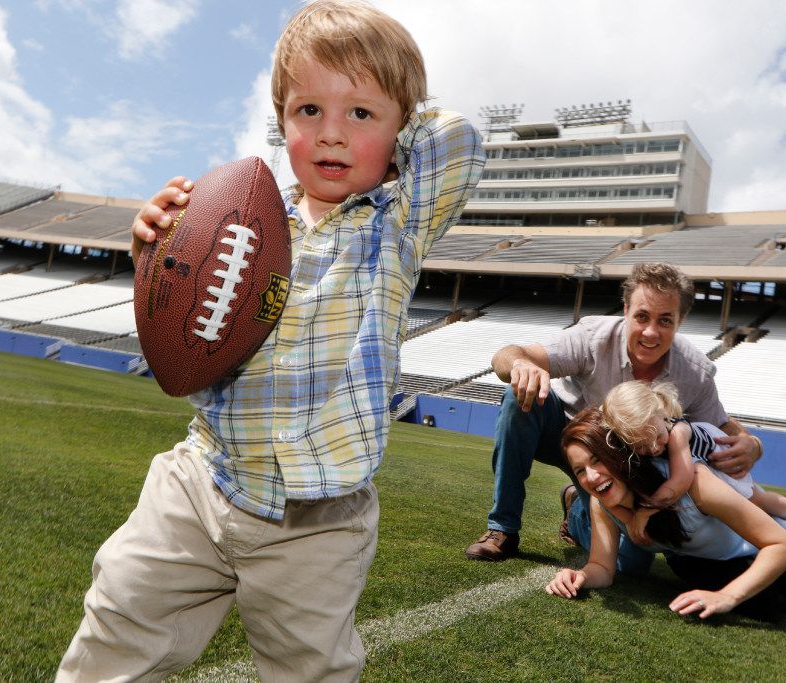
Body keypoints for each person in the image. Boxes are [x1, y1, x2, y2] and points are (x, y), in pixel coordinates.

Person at [57, 2, 485, 680]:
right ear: (280, 121)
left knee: (307, 669)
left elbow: (458, 137)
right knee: (118, 617)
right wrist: (157, 238)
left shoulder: (398, 221)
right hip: (205, 478)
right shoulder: (243, 220)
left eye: (361, 114)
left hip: (317, 517)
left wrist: (402, 113)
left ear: (401, 130)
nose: (332, 135)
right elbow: (187, 326)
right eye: (308, 111)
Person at [466, 262, 763, 565]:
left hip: (618, 463)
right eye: (642, 316)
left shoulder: (695, 371)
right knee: (518, 399)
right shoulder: (593, 336)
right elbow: (507, 355)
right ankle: (502, 529)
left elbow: (721, 424)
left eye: (665, 320)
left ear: (681, 320)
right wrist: (520, 364)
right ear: (625, 310)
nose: (650, 331)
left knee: (629, 562)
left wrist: (753, 444)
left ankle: (577, 509)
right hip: (562, 434)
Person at [546, 408, 786, 634]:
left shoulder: (692, 480)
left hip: (773, 543)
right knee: (764, 607)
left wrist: (727, 596)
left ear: (620, 453)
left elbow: (780, 545)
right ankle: (764, 588)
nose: (591, 477)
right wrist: (580, 577)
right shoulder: (604, 505)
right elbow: (602, 568)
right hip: (706, 561)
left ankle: (781, 575)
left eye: (597, 460)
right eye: (579, 471)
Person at [601, 380, 786, 550]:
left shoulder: (678, 433)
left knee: (755, 500)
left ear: (662, 414)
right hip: (702, 465)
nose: (654, 449)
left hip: (716, 457)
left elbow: (681, 480)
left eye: (658, 437)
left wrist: (644, 511)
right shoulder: (648, 436)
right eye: (641, 446)